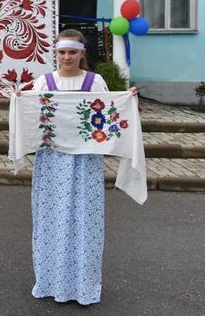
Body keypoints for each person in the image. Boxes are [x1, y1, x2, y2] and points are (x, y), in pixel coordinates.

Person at [27, 28, 137, 305]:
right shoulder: (44, 82)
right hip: (52, 161)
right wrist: (21, 100)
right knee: (51, 220)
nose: (67, 57)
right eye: (62, 52)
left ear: (82, 53)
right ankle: (50, 281)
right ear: (56, 53)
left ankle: (83, 285)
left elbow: (108, 112)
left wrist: (126, 99)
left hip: (85, 162)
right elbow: (31, 117)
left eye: (72, 52)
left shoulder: (94, 81)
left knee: (84, 220)